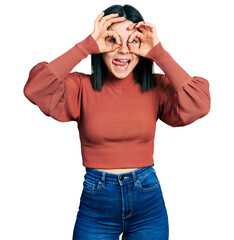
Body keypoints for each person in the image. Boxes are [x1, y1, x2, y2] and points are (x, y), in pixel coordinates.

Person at [23, 4, 211, 240]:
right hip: (96, 207)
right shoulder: (80, 87)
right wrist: (85, 46)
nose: (123, 51)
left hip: (148, 203)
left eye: (132, 41)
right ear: (100, 45)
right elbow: (35, 89)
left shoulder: (156, 87)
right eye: (112, 40)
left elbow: (200, 104)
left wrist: (159, 52)